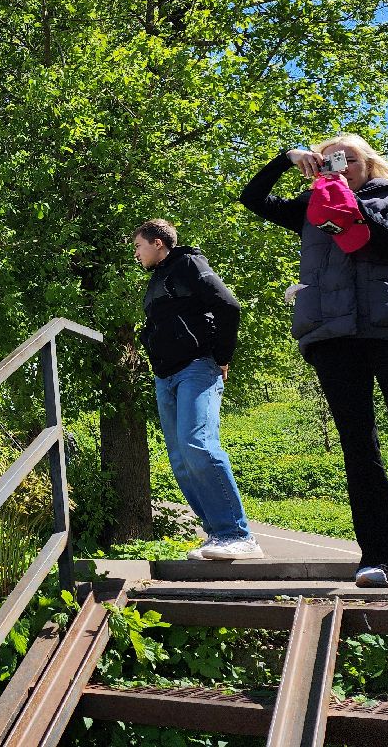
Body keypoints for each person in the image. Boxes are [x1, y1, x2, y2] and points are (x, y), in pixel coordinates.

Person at [240, 135, 388, 587]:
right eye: (329, 159)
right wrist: (287, 159)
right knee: (358, 446)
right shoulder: (313, 206)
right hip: (333, 336)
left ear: (368, 162)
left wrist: (346, 201)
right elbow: (254, 199)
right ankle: (384, 559)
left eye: (346, 158)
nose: (339, 166)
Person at [133, 219, 262, 561]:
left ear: (158, 243)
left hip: (195, 368)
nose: (136, 254)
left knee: (198, 444)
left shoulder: (189, 263)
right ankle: (218, 534)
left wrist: (221, 357)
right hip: (165, 376)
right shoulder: (157, 279)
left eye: (139, 246)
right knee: (180, 459)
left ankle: (237, 534)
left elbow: (228, 305)